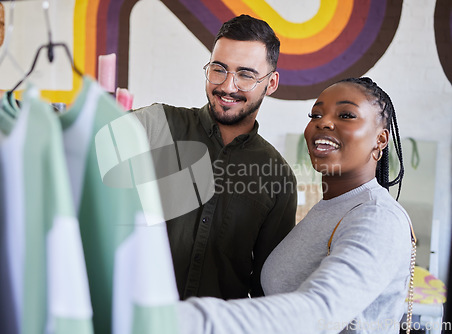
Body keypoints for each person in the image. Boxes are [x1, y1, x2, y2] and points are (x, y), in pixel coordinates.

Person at [177, 77, 415, 334]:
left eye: (346, 115)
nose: (322, 122)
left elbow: (319, 312)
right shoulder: (329, 209)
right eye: (315, 114)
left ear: (380, 140)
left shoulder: (378, 217)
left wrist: (176, 319)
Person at [132, 14, 297, 300]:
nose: (227, 86)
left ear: (271, 84)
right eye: (219, 69)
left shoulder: (278, 177)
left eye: (246, 75)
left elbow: (268, 292)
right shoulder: (156, 125)